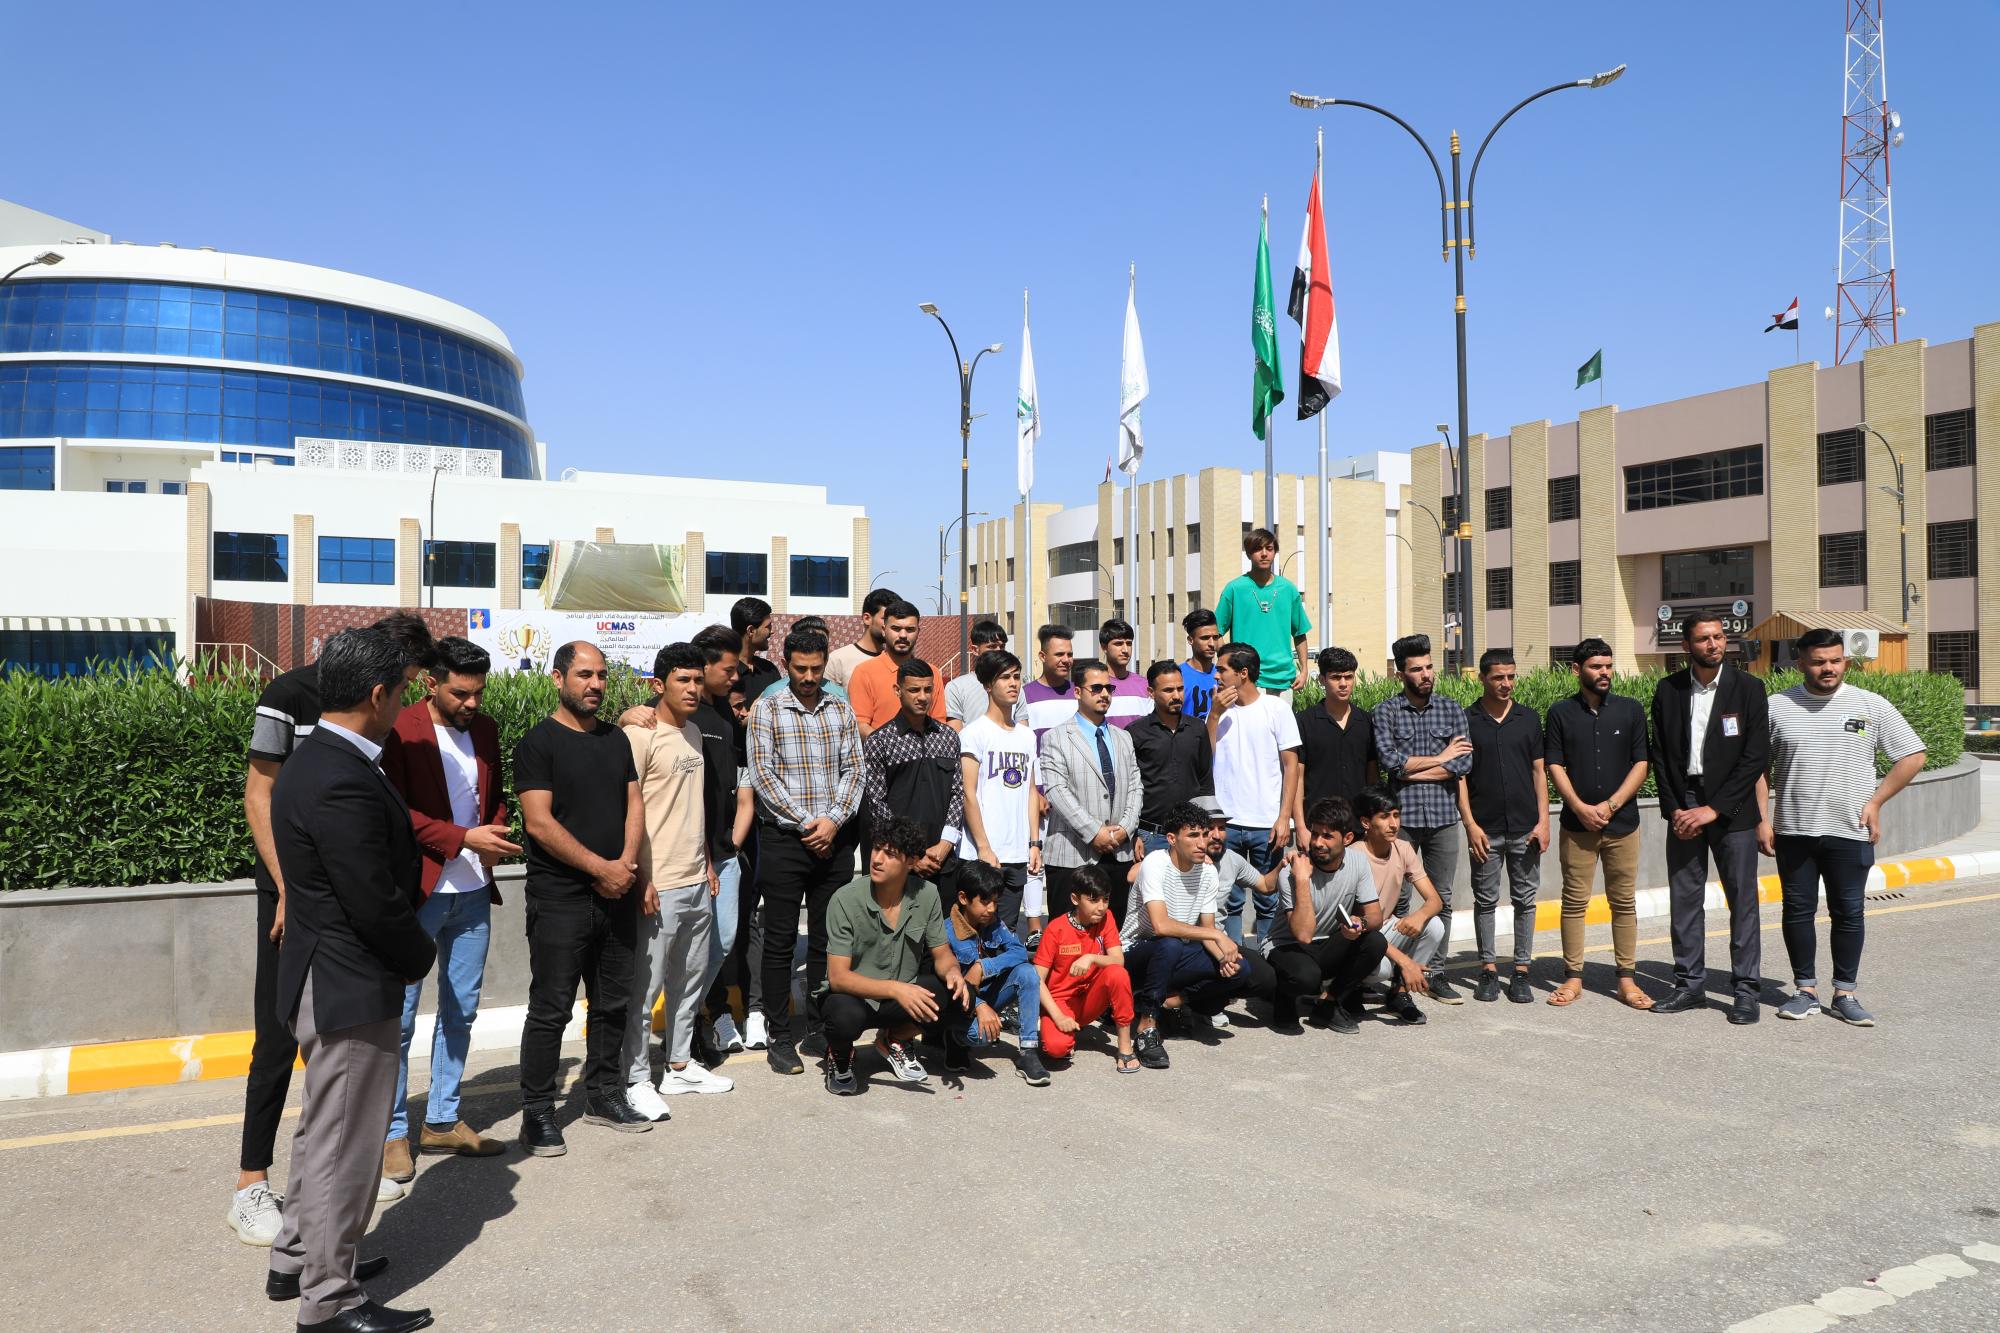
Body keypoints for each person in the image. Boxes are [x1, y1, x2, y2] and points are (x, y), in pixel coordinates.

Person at [230, 611, 434, 1247]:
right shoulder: (289, 695)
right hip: (296, 893)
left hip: (339, 893)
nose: (405, 694)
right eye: (403, 681)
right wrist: (288, 890)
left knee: (333, 1077)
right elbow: (260, 794)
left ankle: (319, 1216)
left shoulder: (368, 725)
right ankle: (251, 1183)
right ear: (377, 676)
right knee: (277, 1038)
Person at [377, 636, 512, 1188]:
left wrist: (494, 832)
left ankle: (440, 1119)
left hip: (473, 889)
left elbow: (492, 795)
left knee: (462, 1009)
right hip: (421, 891)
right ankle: (391, 1133)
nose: (471, 703)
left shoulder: (486, 729)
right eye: (460, 693)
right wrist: (463, 838)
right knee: (401, 1018)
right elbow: (396, 812)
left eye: (478, 693)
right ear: (431, 683)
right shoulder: (401, 729)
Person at [514, 641, 648, 1156]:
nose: (595, 684)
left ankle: (604, 1095)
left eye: (602, 676)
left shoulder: (616, 740)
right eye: (584, 675)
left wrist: (625, 865)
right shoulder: (538, 743)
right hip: (561, 899)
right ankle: (538, 1112)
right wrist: (601, 869)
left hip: (617, 894)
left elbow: (634, 804)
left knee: (612, 1003)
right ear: (558, 679)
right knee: (551, 1009)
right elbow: (539, 823)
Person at [1758, 627, 1925, 1027]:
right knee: (1797, 910)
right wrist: (1762, 819)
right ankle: (1805, 991)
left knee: (1848, 911)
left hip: (1850, 829)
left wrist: (1876, 801)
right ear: (1800, 664)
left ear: (1845, 661)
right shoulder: (1775, 707)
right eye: (1818, 662)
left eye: (1835, 660)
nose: (1828, 668)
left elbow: (1912, 755)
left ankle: (1845, 993)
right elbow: (1756, 768)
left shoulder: (1871, 705)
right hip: (1794, 829)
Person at [621, 644, 732, 1123]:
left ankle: (680, 1065)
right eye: (682, 680)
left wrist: (706, 861)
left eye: (697, 680)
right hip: (657, 883)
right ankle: (636, 1079)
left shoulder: (694, 733)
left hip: (695, 877)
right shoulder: (639, 734)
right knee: (644, 991)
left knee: (688, 981)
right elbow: (628, 810)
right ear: (658, 684)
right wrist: (640, 876)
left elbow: (694, 804)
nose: (692, 689)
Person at [748, 624, 865, 1074]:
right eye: (801, 669)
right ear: (786, 664)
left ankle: (818, 1027)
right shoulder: (768, 709)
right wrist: (806, 824)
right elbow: (763, 774)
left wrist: (833, 821)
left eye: (817, 668)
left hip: (834, 841)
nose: (810, 677)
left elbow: (854, 769)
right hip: (785, 841)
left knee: (826, 940)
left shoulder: (840, 707)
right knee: (779, 943)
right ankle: (780, 1036)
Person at [1651, 614, 1770, 1025]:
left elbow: (1755, 756)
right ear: (1687, 646)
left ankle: (1746, 991)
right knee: (1685, 898)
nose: (1714, 644)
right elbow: (1661, 754)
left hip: (1731, 808)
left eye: (1719, 637)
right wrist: (1675, 808)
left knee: (1742, 901)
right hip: (1684, 803)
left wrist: (1715, 808)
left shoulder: (1749, 688)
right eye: (1703, 639)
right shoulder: (1668, 690)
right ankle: (1689, 986)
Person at [820, 815, 973, 1095]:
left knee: (961, 994)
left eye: (890, 854)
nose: (877, 859)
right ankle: (840, 1056)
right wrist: (896, 989)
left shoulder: (927, 894)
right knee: (841, 1016)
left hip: (902, 996)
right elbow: (838, 978)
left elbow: (942, 953)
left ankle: (896, 1040)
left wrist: (953, 972)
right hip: (857, 997)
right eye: (877, 849)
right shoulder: (845, 899)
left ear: (912, 862)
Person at [1120, 801, 1275, 1069]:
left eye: (1204, 834)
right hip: (1134, 953)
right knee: (1169, 943)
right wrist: (1217, 936)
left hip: (1175, 952)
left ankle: (1173, 1002)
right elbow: (1161, 925)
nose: (1202, 842)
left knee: (1240, 969)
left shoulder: (1207, 872)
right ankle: (1147, 1026)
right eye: (1193, 835)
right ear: (1172, 839)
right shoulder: (1155, 863)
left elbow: (1207, 928)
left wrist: (1223, 956)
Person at [1544, 638, 1653, 1011]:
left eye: (1608, 665)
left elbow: (1642, 762)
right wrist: (1579, 807)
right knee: (1574, 902)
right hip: (1577, 826)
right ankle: (1573, 977)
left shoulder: (1630, 710)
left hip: (1623, 824)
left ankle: (1627, 980)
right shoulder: (1560, 713)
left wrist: (1610, 805)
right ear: (1577, 670)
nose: (1604, 672)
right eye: (1596, 666)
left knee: (1623, 902)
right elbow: (1554, 764)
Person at [1371, 633, 1473, 1002]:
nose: (1426, 674)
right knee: (1397, 900)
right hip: (1402, 821)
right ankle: (1399, 974)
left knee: (1441, 898)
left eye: (1429, 667)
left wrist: (1414, 768)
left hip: (1444, 817)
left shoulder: (1452, 709)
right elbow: (1390, 763)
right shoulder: (1386, 711)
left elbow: (1464, 763)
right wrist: (1441, 759)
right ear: (1401, 674)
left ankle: (1436, 972)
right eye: (1417, 669)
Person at [1457, 648, 1547, 1005]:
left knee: (1525, 900)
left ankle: (1522, 970)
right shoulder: (1467, 720)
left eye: (1511, 676)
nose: (1506, 683)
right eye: (1498, 677)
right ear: (1482, 679)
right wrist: (1470, 824)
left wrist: (1543, 822)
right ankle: (1488, 969)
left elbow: (1539, 772)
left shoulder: (1528, 718)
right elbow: (1460, 777)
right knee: (1485, 901)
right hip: (1485, 829)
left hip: (1526, 828)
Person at [1263, 796, 1390, 1035]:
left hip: (1325, 943)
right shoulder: (1292, 869)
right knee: (1306, 977)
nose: (1318, 843)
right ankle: (1283, 997)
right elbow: (1302, 935)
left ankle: (1329, 1002)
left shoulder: (1358, 862)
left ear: (1348, 838)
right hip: (1286, 946)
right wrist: (1302, 879)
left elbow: (1375, 916)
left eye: (1327, 836)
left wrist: (1359, 924)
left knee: (1375, 942)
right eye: (1315, 834)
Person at [1206, 643, 1302, 944]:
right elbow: (1204, 755)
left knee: (1269, 899)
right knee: (1227, 900)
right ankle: (1234, 960)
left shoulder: (1276, 708)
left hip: (1267, 824)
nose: (1216, 675)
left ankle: (1267, 958)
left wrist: (1284, 818)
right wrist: (1214, 714)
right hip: (1227, 823)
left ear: (1243, 673)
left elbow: (1292, 766)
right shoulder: (1218, 712)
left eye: (1222, 669)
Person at [1038, 657, 1142, 927]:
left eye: (1109, 688)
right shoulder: (1055, 737)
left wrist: (1125, 829)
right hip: (1072, 855)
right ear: (1077, 692)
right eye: (1096, 688)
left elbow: (1135, 786)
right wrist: (1094, 832)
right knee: (1068, 940)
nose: (1104, 694)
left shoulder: (1123, 737)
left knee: (1113, 936)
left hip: (1118, 854)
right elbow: (1056, 791)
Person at [861, 658, 965, 895]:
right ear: (898, 690)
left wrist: (945, 844)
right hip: (898, 863)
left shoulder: (949, 738)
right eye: (914, 690)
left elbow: (958, 794)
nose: (922, 697)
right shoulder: (880, 741)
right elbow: (877, 804)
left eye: (928, 690)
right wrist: (912, 856)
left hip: (943, 860)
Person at [944, 861, 1053, 1084]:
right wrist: (978, 1005)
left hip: (989, 995)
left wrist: (984, 967)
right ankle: (956, 1038)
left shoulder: (993, 922)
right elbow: (947, 984)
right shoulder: (946, 932)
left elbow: (1019, 951)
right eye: (985, 902)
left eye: (995, 902)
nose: (992, 909)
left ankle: (1028, 1052)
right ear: (963, 898)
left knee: (1027, 972)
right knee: (983, 1036)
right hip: (961, 1006)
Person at [956, 649, 1042, 927]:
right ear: (988, 685)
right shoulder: (973, 733)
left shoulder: (1027, 736)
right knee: (977, 932)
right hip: (982, 853)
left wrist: (1034, 843)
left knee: (1007, 931)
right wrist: (984, 847)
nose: (1013, 683)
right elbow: (968, 793)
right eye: (1005, 677)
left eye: (1016, 676)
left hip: (1017, 852)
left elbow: (1031, 791)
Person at [1032, 863, 1138, 1071]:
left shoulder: (1106, 918)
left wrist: (1091, 958)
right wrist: (1058, 1016)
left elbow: (1118, 960)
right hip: (1061, 1001)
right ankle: (1065, 1032)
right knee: (1056, 1049)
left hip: (1091, 1000)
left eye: (1105, 899)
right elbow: (1036, 979)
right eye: (1093, 900)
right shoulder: (1055, 929)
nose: (1101, 907)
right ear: (1075, 899)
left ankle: (1125, 1045)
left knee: (1117, 973)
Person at [1353, 787, 1443, 1024]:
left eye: (1396, 815)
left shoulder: (1403, 848)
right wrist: (1405, 962)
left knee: (1434, 925)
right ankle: (1348, 987)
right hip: (1356, 935)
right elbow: (1359, 926)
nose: (1393, 824)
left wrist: (1418, 916)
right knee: (1381, 969)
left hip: (1383, 928)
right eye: (1384, 817)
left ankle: (1399, 993)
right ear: (1365, 822)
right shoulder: (1354, 856)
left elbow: (1435, 900)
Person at [1213, 527, 1310, 700]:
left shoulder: (1288, 589)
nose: (1264, 554)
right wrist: (1231, 663)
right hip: (1248, 679)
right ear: (1249, 554)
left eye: (1269, 549)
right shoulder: (1234, 589)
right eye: (1258, 549)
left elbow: (1300, 633)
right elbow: (1216, 631)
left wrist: (1304, 671)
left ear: (1275, 552)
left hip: (1284, 679)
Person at [1129, 660, 1213, 855]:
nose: (1176, 696)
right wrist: (1133, 833)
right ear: (1151, 692)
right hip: (1149, 836)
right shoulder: (1135, 733)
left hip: (1192, 835)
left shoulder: (1198, 729)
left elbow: (1206, 782)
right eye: (1168, 690)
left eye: (1180, 689)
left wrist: (1205, 831)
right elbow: (1128, 788)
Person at [1294, 646, 1378, 829]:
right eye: (1336, 677)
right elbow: (1297, 778)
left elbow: (1372, 778)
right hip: (1317, 827)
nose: (1343, 683)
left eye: (1349, 677)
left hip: (1358, 825)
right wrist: (1300, 826)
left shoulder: (1367, 722)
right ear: (1322, 680)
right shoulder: (1304, 722)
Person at [849, 600, 945, 735]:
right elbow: (860, 725)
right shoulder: (864, 672)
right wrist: (893, 745)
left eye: (910, 629)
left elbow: (939, 722)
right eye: (896, 629)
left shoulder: (931, 673)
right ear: (884, 630)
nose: (903, 635)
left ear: (918, 632)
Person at [946, 621, 1023, 728]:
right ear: (975, 650)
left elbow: (1022, 726)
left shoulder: (1014, 685)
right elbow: (955, 732)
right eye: (992, 647)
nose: (998, 651)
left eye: (1002, 646)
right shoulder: (956, 687)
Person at [826, 585, 901, 688]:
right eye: (886, 619)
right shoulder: (837, 660)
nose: (892, 625)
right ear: (867, 618)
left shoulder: (898, 660)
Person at [1022, 623, 1079, 746]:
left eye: (1070, 654)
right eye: (1059, 654)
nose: (1066, 660)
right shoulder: (1023, 695)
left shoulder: (1080, 693)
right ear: (1043, 656)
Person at [1098, 617, 1152, 728]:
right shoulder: (1094, 686)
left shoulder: (1145, 685)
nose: (1125, 650)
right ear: (1104, 647)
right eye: (1118, 644)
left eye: (1129, 643)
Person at [731, 596, 781, 704]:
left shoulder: (770, 670)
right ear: (751, 631)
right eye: (768, 627)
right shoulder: (726, 673)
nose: (771, 632)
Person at [1180, 608, 1222, 721]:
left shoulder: (1224, 676)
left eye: (1215, 637)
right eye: (1205, 638)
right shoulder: (1178, 676)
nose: (1212, 643)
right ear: (1190, 640)